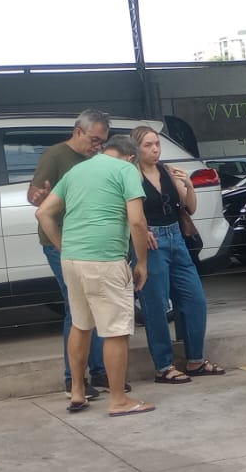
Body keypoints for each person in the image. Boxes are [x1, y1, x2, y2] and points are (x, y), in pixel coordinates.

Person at [35, 135, 154, 418]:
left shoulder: (78, 170)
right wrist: (142, 263)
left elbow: (43, 213)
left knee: (81, 324)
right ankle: (119, 400)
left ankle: (77, 391)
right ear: (131, 157)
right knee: (115, 331)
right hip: (105, 259)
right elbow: (137, 221)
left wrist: (63, 245)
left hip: (72, 260)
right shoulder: (125, 170)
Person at [128, 125, 223, 384]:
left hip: (176, 237)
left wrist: (189, 186)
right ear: (136, 148)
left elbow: (189, 207)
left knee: (195, 299)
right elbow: (123, 210)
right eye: (148, 145)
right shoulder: (130, 174)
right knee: (156, 305)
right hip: (152, 241)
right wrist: (139, 229)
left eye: (156, 144)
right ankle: (163, 365)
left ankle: (195, 359)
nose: (155, 149)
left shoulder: (166, 171)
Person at [29, 110, 112, 398]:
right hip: (60, 241)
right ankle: (73, 378)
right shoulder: (55, 156)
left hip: (88, 242)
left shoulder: (97, 160)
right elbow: (34, 195)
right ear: (78, 132)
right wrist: (38, 196)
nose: (97, 146)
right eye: (94, 140)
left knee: (96, 304)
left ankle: (101, 371)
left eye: (102, 142)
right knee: (77, 308)